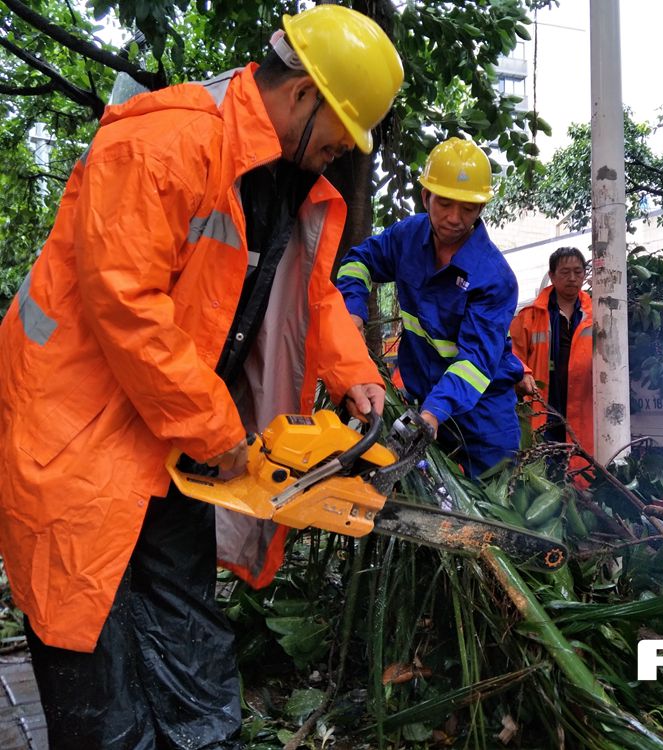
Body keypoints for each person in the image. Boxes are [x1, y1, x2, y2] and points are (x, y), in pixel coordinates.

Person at [0, 6, 403, 748]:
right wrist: (220, 434)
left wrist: (355, 373)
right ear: (304, 94)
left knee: (193, 662)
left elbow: (308, 296)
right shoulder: (167, 140)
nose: (344, 148)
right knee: (98, 684)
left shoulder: (287, 180)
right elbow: (126, 303)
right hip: (78, 443)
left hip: (168, 443)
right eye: (345, 127)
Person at [336, 137, 523, 478]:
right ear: (426, 197)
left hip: (484, 417)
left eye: (467, 208)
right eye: (445, 204)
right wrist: (352, 311)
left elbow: (475, 362)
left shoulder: (495, 278)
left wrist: (434, 413)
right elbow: (357, 261)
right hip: (425, 405)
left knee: (495, 510)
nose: (454, 218)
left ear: (481, 208)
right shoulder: (406, 238)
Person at [510, 247, 594, 467]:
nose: (573, 278)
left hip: (581, 406)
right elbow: (512, 355)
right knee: (541, 465)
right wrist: (522, 375)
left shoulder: (598, 314)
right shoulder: (530, 315)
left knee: (578, 465)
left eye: (578, 271)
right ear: (552, 275)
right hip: (542, 406)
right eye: (565, 272)